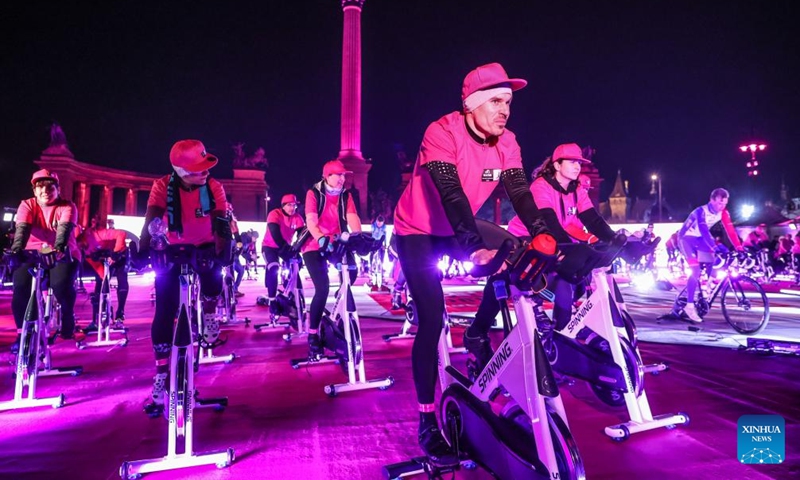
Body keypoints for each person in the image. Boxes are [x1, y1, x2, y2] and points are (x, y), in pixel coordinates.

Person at [392, 63, 553, 467]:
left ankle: (478, 334)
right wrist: (472, 247)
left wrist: (543, 233)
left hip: (459, 228)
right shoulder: (442, 131)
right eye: (496, 101)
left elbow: (520, 191)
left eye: (509, 102)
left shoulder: (508, 142)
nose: (505, 110)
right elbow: (451, 193)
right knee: (432, 319)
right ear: (472, 105)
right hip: (419, 230)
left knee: (520, 252)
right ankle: (427, 419)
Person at [137, 139, 230, 411]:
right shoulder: (162, 186)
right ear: (181, 171)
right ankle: (162, 373)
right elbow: (152, 218)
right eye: (199, 169)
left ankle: (210, 312)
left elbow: (221, 221)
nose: (205, 173)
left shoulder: (213, 187)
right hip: (172, 247)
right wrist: (145, 248)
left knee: (215, 276)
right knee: (165, 308)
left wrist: (224, 250)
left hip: (204, 245)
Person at [504, 143, 616, 344]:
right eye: (572, 162)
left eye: (579, 162)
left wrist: (614, 239)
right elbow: (549, 222)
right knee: (559, 273)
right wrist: (570, 249)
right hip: (525, 239)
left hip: (552, 238)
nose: (577, 166)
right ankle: (535, 304)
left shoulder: (577, 190)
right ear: (557, 165)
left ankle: (562, 326)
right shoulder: (540, 186)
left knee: (578, 279)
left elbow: (593, 220)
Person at [8, 169, 82, 352]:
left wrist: (58, 249)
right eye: (40, 187)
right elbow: (22, 231)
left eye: (50, 187)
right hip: (32, 251)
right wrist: (16, 250)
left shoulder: (67, 206)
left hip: (62, 252)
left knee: (60, 285)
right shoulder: (26, 205)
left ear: (58, 189)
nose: (45, 191)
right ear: (34, 191)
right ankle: (21, 333)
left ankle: (67, 313)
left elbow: (63, 234)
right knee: (21, 287)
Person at [301, 160, 363, 360]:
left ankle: (337, 311)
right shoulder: (314, 193)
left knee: (351, 274)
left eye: (344, 176)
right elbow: (311, 221)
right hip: (314, 243)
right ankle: (312, 335)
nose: (342, 179)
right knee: (322, 287)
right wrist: (320, 237)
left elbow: (352, 218)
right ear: (327, 176)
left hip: (336, 241)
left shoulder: (346, 195)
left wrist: (359, 236)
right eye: (339, 175)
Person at [671, 188, 742, 322]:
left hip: (699, 239)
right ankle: (689, 306)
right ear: (712, 200)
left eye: (725, 204)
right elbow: (704, 231)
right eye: (720, 203)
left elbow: (731, 231)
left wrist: (739, 247)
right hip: (686, 239)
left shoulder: (724, 213)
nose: (722, 207)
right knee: (695, 270)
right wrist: (714, 247)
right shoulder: (700, 211)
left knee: (724, 254)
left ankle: (709, 284)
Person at [82, 216, 130, 330]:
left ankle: (120, 313)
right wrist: (104, 281)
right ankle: (100, 315)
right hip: (104, 257)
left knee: (122, 279)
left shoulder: (99, 234)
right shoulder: (86, 251)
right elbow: (100, 272)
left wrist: (116, 252)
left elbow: (122, 234)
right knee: (100, 283)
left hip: (120, 255)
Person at [262, 194, 305, 304]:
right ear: (283, 206)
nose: (292, 208)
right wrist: (286, 248)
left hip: (284, 246)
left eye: (294, 205)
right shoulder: (274, 214)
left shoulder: (297, 218)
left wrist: (297, 248)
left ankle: (289, 284)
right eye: (289, 205)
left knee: (298, 262)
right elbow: (275, 233)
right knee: (274, 268)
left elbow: (302, 235)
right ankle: (272, 300)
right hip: (269, 246)